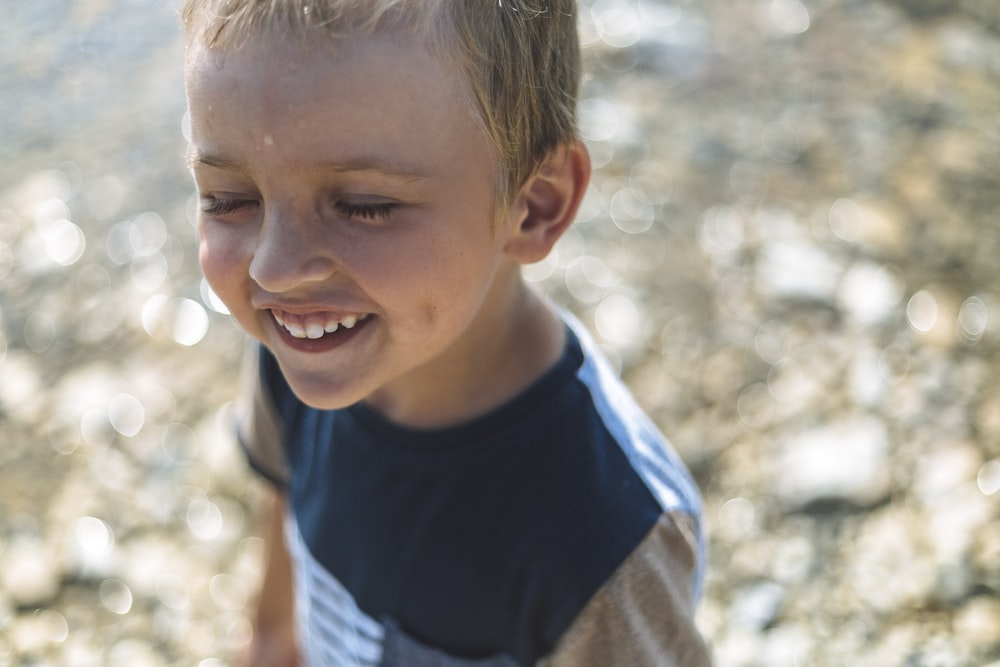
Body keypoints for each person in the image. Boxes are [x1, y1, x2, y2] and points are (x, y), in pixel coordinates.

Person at [181, 0, 711, 664]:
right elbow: (282, 497)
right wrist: (269, 638)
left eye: (365, 206)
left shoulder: (608, 538)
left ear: (534, 204)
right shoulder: (294, 352)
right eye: (229, 198)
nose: (275, 268)